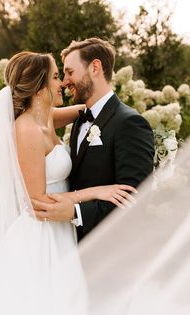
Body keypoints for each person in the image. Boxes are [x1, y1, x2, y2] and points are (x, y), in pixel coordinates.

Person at [0, 51, 136, 315]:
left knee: (66, 312)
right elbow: (37, 200)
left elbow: (88, 111)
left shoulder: (45, 118)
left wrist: (105, 106)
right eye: (56, 76)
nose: (63, 83)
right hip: (41, 237)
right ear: (39, 87)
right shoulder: (26, 129)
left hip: (61, 230)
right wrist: (95, 191)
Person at [33, 38, 155, 241]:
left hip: (109, 250)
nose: (64, 82)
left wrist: (76, 212)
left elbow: (136, 200)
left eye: (70, 72)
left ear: (95, 67)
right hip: (68, 241)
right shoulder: (80, 118)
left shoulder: (130, 123)